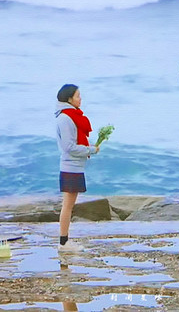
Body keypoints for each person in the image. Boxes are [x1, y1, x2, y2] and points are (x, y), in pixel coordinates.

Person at [55, 83, 99, 252]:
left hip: (75, 166)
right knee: (67, 205)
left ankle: (64, 241)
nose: (80, 99)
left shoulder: (71, 116)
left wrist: (90, 147)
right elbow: (68, 146)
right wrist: (91, 150)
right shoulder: (65, 118)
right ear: (69, 99)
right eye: (78, 96)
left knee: (69, 205)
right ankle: (64, 242)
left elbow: (74, 143)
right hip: (70, 166)